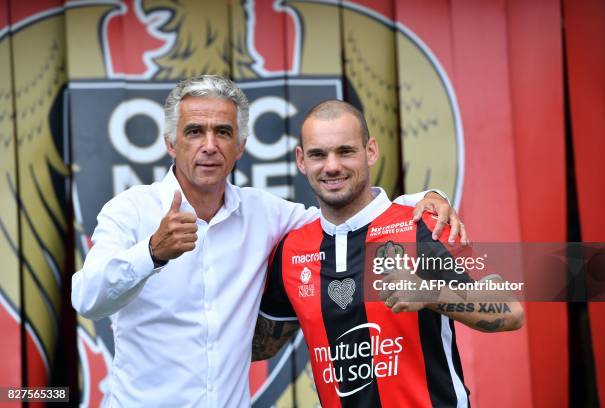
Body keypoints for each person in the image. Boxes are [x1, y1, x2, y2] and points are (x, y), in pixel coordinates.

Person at [71, 75, 466, 407]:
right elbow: (88, 299)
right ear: (171, 144)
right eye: (194, 132)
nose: (209, 144)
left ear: (240, 146)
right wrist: (151, 253)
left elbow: (348, 215)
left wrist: (423, 201)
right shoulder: (131, 211)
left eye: (223, 132)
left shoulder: (267, 214)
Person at [253, 100, 523, 407]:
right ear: (301, 160)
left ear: (370, 151)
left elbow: (510, 311)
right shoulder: (291, 250)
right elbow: (259, 345)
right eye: (318, 154)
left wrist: (429, 294)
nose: (331, 166)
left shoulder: (424, 227)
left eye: (345, 151)